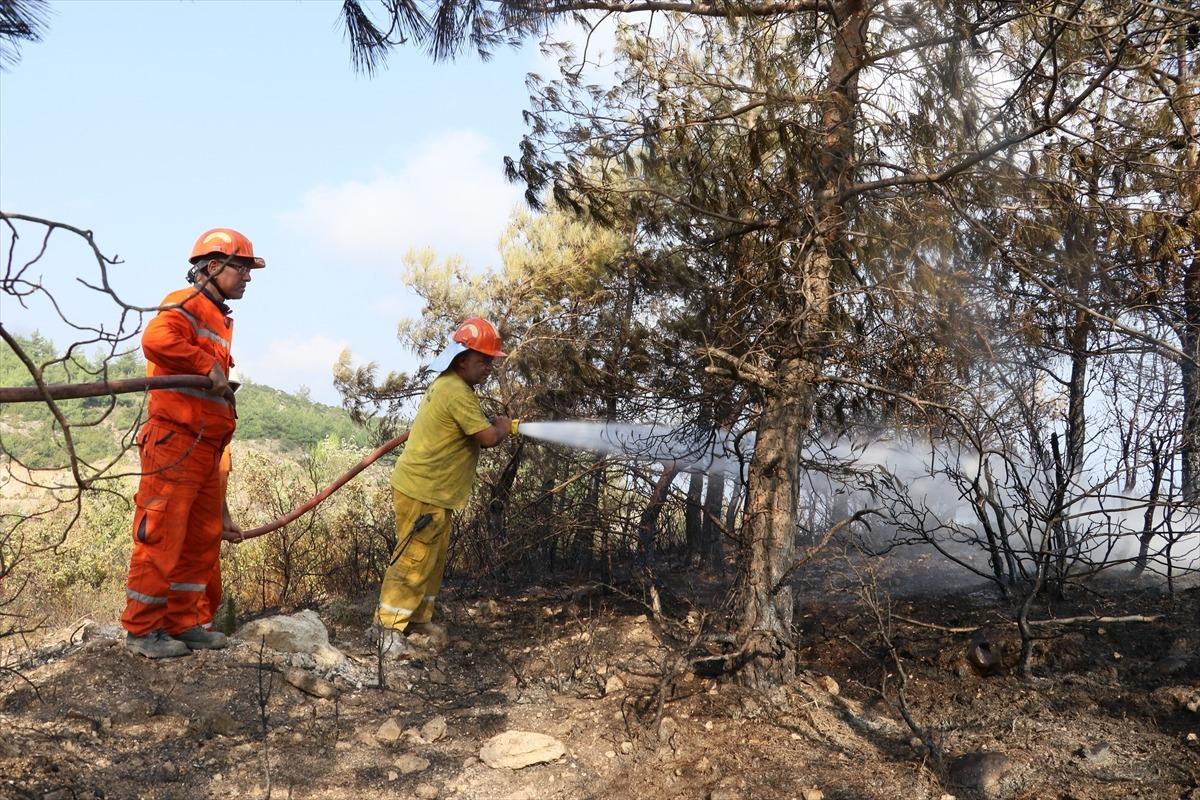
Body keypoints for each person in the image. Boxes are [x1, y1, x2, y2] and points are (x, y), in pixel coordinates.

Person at [120, 228, 263, 658]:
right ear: (214, 266)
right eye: (242, 268)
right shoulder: (185, 301)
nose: (247, 278)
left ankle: (183, 622)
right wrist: (204, 363)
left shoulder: (218, 317)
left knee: (200, 538)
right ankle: (143, 630)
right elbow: (156, 340)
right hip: (176, 443)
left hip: (205, 447)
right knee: (162, 535)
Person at [375, 318, 513, 656]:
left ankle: (416, 619)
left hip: (435, 493)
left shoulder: (452, 386)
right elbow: (487, 438)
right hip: (423, 490)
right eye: (483, 360)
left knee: (431, 560)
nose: (489, 368)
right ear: (462, 359)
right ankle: (386, 628)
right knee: (413, 558)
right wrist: (502, 427)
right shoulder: (456, 392)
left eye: (491, 361)